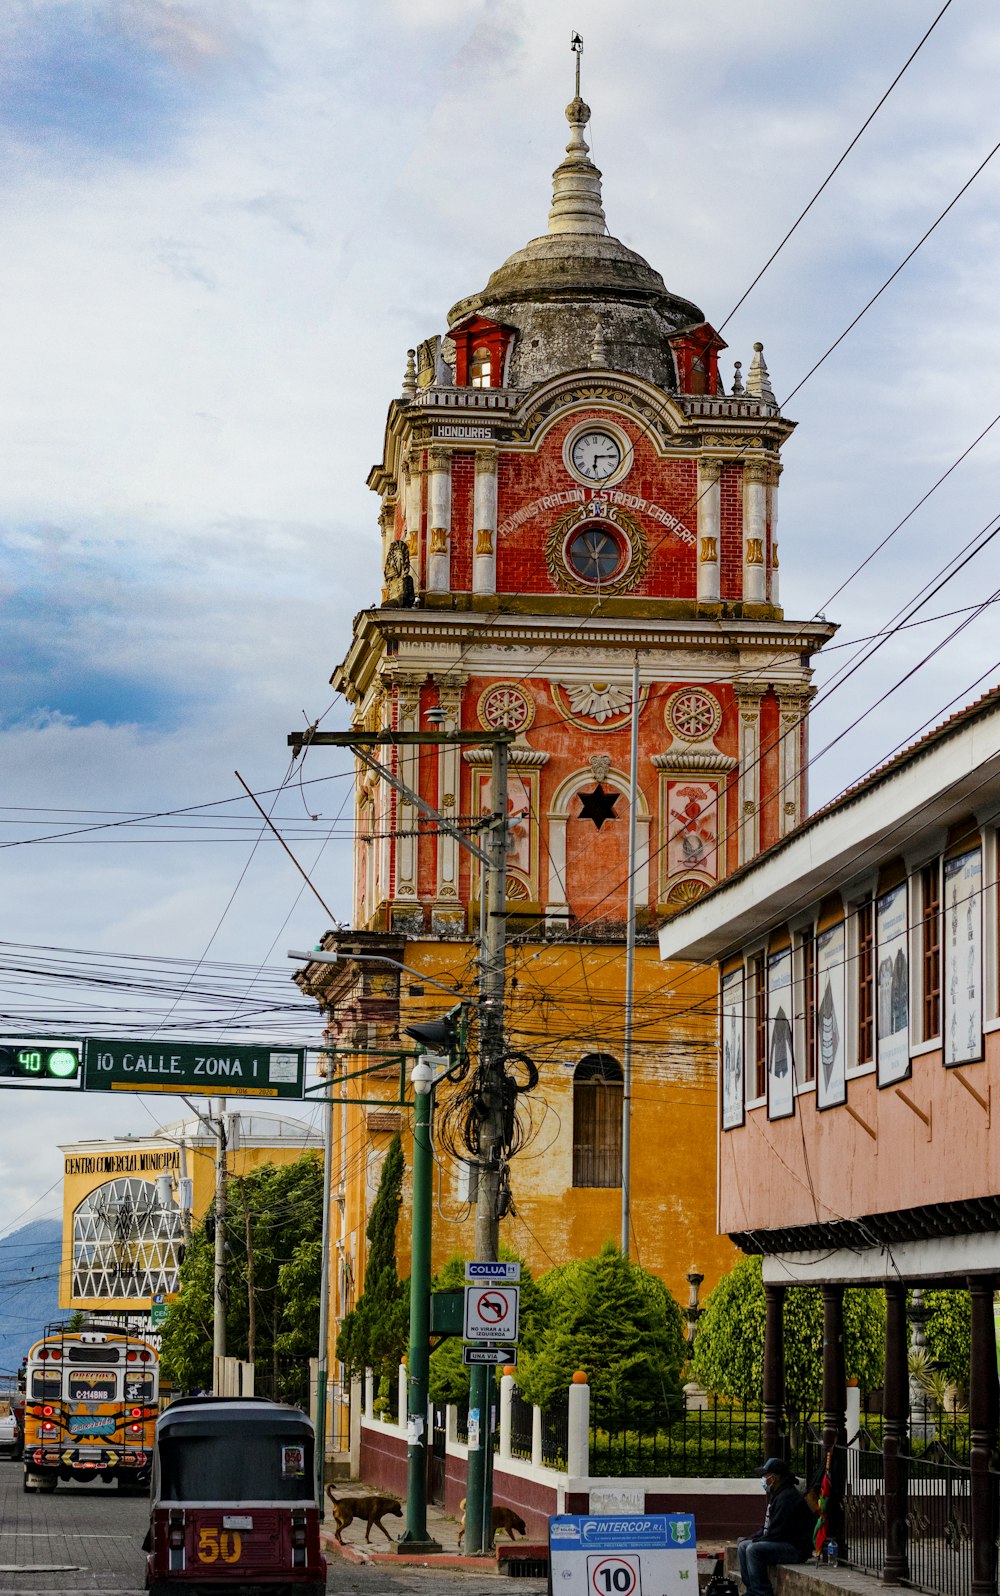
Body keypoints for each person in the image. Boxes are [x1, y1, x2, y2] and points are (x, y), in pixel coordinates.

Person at [737, 1457, 815, 1596]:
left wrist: (756, 1541)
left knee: (753, 1549)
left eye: (765, 1476)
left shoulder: (787, 1497)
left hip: (794, 1549)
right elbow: (768, 1527)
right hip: (782, 1542)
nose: (763, 1479)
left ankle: (761, 1592)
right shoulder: (778, 1495)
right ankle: (752, 1590)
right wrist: (751, 1538)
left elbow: (777, 1532)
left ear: (774, 1478)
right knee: (743, 1546)